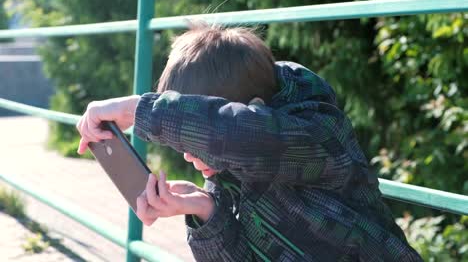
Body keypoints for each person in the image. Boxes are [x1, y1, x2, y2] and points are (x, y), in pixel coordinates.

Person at [76, 23, 422, 261]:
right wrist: (207, 213)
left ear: (254, 110)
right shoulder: (227, 171)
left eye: (197, 141)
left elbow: (247, 136)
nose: (190, 155)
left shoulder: (317, 137)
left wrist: (138, 109)